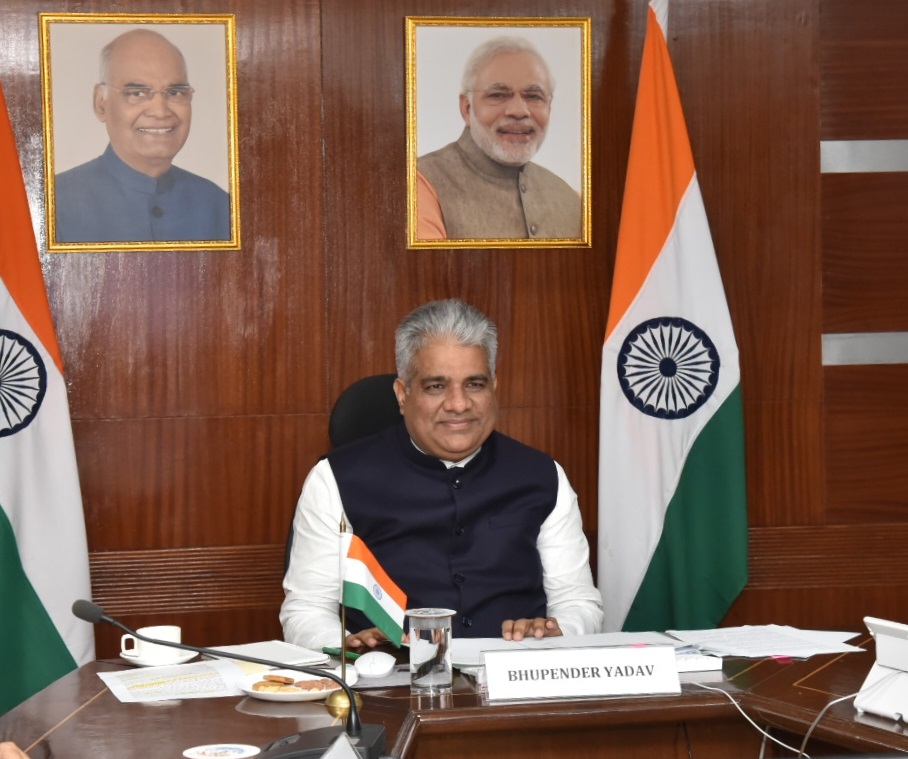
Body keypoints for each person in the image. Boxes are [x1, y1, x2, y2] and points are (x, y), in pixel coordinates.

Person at [281, 299, 603, 650]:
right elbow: (307, 610)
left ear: (494, 387)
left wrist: (554, 631)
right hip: (390, 676)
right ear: (402, 395)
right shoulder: (336, 479)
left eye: (475, 384)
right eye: (436, 386)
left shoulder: (542, 475)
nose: (459, 404)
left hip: (513, 672)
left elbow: (578, 602)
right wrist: (350, 645)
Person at [54, 29, 230, 244]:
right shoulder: (54, 205)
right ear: (101, 104)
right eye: (137, 93)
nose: (160, 112)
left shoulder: (220, 207)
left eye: (175, 93)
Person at [416, 36, 581, 241]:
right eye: (498, 95)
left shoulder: (572, 201)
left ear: (549, 107)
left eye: (533, 96)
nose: (519, 111)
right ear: (467, 108)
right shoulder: (420, 184)